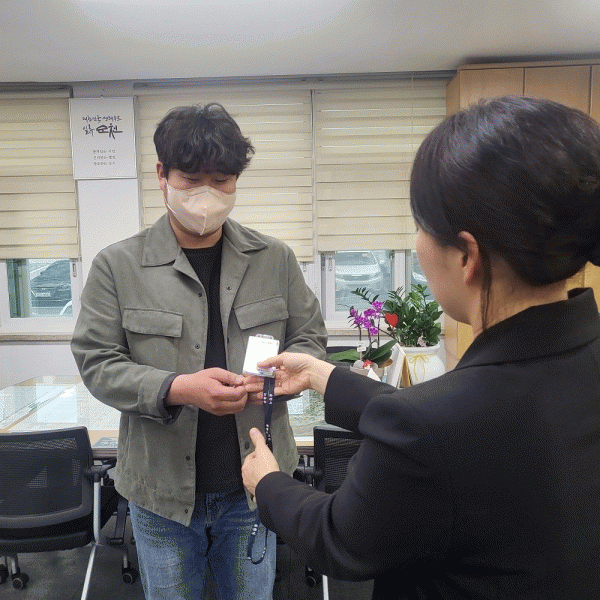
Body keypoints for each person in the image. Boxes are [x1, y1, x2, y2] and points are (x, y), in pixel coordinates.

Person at [241, 96, 600, 599]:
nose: (416, 244)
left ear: (468, 255)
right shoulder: (568, 365)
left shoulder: (435, 425)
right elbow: (452, 425)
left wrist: (268, 483)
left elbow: (339, 538)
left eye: (420, 226)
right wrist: (324, 376)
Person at [71, 103, 327, 600]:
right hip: (159, 492)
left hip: (255, 484)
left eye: (222, 179)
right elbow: (97, 363)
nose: (206, 194)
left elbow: (310, 341)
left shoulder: (275, 259)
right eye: (191, 179)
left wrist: (279, 379)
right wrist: (177, 388)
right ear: (161, 175)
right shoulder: (118, 266)